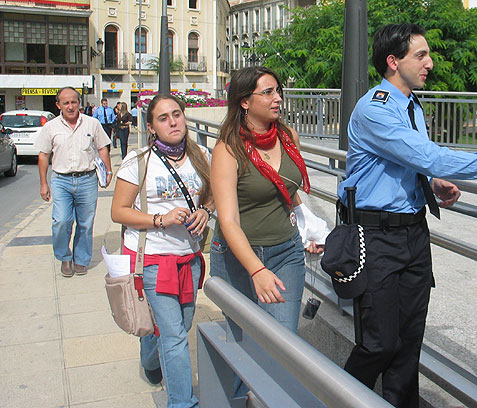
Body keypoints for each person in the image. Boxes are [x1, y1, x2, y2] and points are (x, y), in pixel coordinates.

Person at [336, 23, 477, 408]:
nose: (430, 63)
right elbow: (427, 154)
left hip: (412, 235)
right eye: (420, 55)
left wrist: (430, 181)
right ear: (393, 62)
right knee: (379, 343)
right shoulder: (375, 108)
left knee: (409, 343)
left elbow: (412, 160)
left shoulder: (412, 106)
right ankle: (334, 396)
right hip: (375, 239)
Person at [111, 94, 214, 408]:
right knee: (175, 336)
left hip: (188, 257)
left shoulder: (202, 156)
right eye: (163, 117)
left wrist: (205, 212)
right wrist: (160, 219)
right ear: (152, 127)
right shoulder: (138, 162)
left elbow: (213, 197)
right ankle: (182, 402)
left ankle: (149, 348)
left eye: (177, 114)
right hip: (152, 259)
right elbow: (119, 211)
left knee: (179, 327)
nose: (173, 122)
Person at [210, 66, 326, 334]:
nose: (278, 98)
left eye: (278, 91)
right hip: (237, 258)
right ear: (245, 101)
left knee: (281, 342)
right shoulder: (228, 150)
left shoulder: (288, 137)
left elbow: (286, 190)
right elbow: (228, 220)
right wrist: (256, 270)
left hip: (286, 252)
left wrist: (309, 229)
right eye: (268, 92)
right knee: (245, 342)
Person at [35, 87, 113, 277]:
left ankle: (81, 259)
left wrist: (108, 170)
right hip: (61, 181)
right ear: (58, 105)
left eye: (74, 102)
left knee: (85, 223)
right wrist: (43, 183)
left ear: (80, 103)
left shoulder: (92, 124)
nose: (70, 107)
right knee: (61, 221)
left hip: (87, 179)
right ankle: (64, 257)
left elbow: (102, 147)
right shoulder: (51, 127)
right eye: (66, 103)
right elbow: (43, 156)